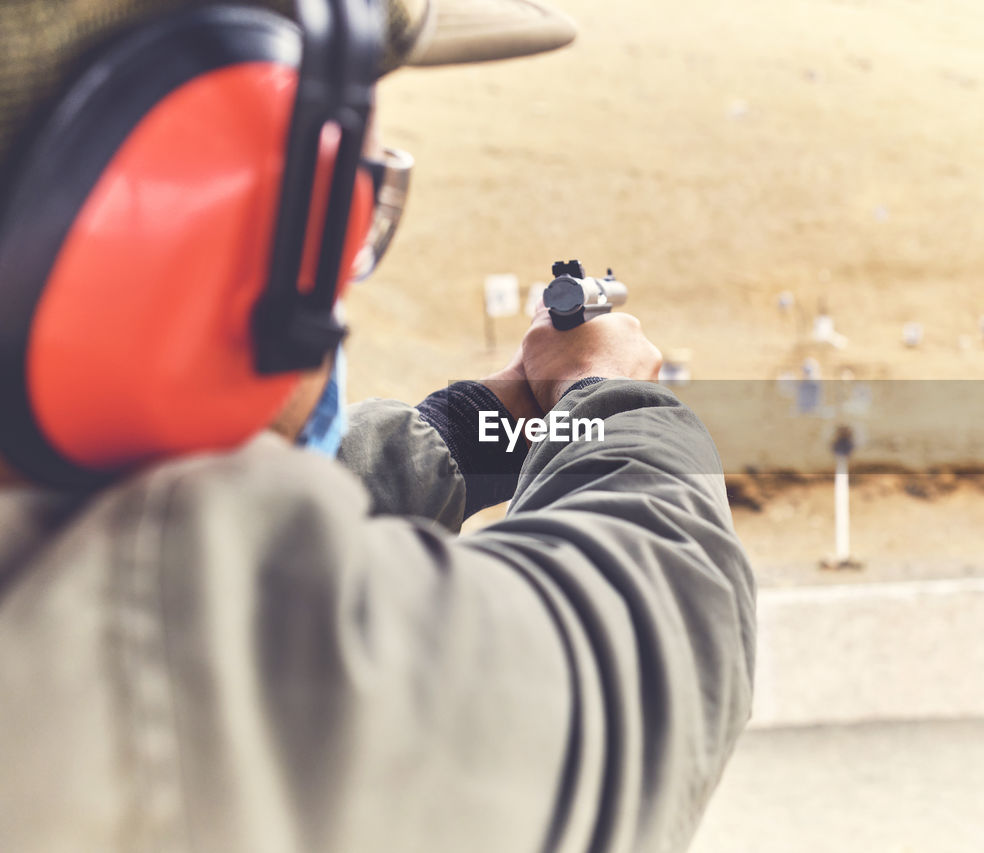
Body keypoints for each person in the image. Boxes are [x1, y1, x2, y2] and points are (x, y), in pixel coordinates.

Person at [0, 1, 756, 851]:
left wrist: (466, 432)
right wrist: (607, 397)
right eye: (317, 201)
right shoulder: (145, 646)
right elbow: (646, 645)